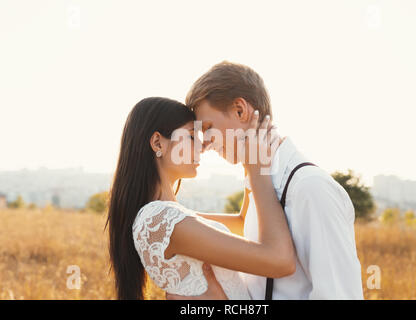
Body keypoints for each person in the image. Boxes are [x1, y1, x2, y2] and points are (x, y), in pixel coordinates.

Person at [168, 61, 364, 299]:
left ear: (240, 110)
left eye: (208, 127)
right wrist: (172, 220)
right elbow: (245, 227)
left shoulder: (309, 188)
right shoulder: (261, 178)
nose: (205, 143)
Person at [106, 96, 296, 300]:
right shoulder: (161, 219)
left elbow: (242, 223)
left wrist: (247, 157)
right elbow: (280, 261)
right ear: (157, 142)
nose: (202, 147)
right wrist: (259, 170)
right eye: (190, 137)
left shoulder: (174, 218)